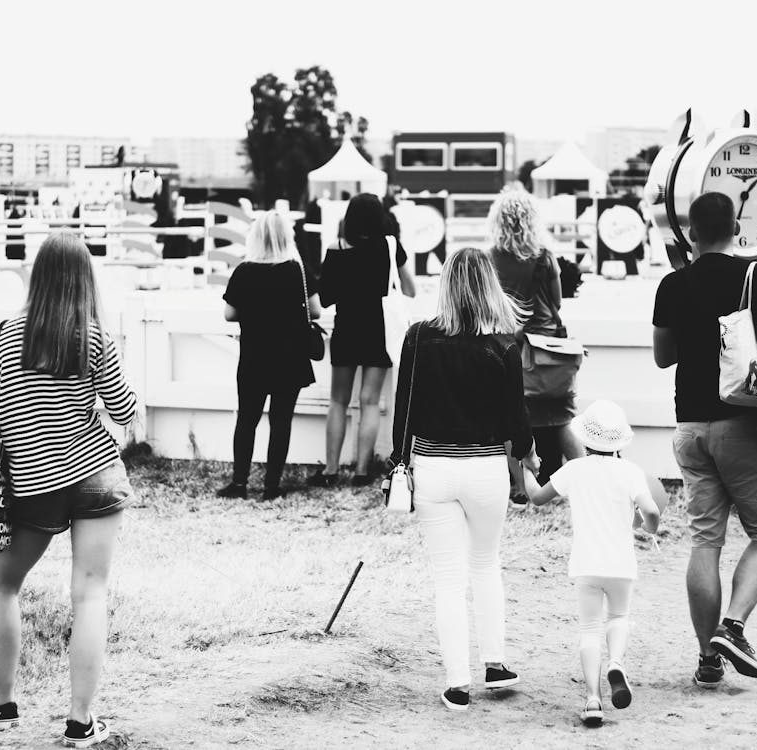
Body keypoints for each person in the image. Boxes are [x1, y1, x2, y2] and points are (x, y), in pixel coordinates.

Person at [0, 233, 137, 748]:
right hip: (95, 474)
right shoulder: (93, 338)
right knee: (90, 593)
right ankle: (81, 723)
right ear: (85, 279)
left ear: (37, 277)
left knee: (2, 585)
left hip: (32, 486)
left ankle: (1, 705)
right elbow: (125, 412)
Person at [651, 192, 757, 688]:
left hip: (690, 429)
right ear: (737, 228)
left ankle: (707, 660)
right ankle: (732, 626)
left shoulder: (671, 284)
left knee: (704, 543)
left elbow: (663, 356)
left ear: (691, 232)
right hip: (744, 426)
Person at [391, 247, 539, 711]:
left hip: (433, 468)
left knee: (448, 580)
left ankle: (458, 683)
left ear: (446, 285)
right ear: (489, 286)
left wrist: (401, 459)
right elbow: (517, 421)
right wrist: (531, 460)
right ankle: (495, 663)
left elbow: (404, 413)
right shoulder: (504, 344)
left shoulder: (417, 338)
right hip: (487, 468)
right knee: (485, 564)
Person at [526, 400, 661, 727]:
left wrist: (525, 469)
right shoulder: (630, 472)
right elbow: (653, 512)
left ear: (585, 439)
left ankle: (592, 699)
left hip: (587, 564)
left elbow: (537, 497)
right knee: (619, 617)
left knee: (589, 629)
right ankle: (615, 661)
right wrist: (646, 527)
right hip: (621, 564)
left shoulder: (575, 469)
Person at [487, 187, 584, 505]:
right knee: (561, 419)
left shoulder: (492, 258)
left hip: (510, 348)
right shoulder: (544, 255)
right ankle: (587, 480)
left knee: (510, 419)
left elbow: (489, 305)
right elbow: (557, 301)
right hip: (550, 350)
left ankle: (518, 488)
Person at [312, 193, 416, 487]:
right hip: (379, 331)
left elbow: (327, 296)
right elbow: (410, 289)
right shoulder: (390, 246)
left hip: (347, 329)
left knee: (338, 401)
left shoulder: (336, 248)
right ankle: (361, 472)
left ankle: (331, 470)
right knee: (370, 402)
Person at [219, 211, 321, 500]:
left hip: (253, 358)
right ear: (287, 237)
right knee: (281, 422)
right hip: (289, 359)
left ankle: (239, 484)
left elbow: (229, 313)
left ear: (255, 237)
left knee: (247, 420)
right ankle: (271, 487)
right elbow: (315, 311)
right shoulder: (297, 270)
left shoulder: (244, 271)